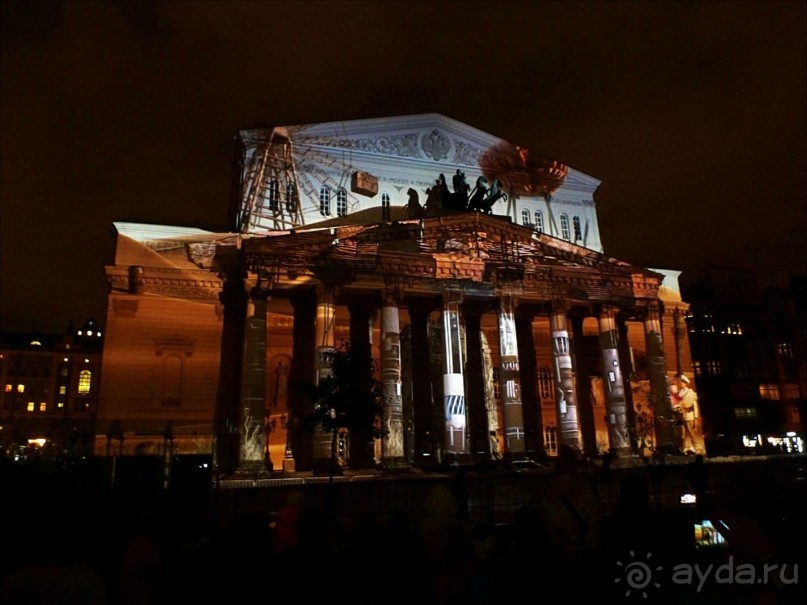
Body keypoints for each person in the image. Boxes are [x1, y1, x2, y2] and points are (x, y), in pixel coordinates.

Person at [672, 374, 698, 454]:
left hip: (689, 415)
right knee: (685, 433)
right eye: (680, 382)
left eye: (682, 383)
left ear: (685, 383)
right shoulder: (680, 392)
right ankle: (686, 447)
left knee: (691, 433)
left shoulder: (690, 393)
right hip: (682, 415)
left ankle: (696, 448)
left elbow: (695, 406)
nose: (681, 384)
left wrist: (696, 417)